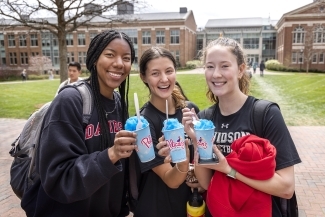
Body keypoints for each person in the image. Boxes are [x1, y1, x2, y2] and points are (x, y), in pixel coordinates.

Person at [21, 30, 138, 217]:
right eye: (110, 55)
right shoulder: (71, 100)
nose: (118, 63)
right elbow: (59, 176)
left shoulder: (119, 103)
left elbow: (119, 171)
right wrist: (111, 154)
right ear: (93, 59)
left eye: (126, 58)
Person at [182, 37, 301, 216]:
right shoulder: (205, 119)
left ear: (241, 70)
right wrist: (196, 139)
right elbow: (206, 184)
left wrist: (228, 170)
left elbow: (286, 187)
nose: (216, 74)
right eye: (210, 66)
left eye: (224, 66)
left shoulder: (265, 114)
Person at [133, 47, 201, 217]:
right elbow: (171, 181)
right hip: (158, 207)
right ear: (144, 77)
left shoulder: (190, 111)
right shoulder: (142, 124)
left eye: (169, 71)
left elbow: (202, 156)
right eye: (155, 73)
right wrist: (183, 163)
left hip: (191, 205)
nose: (164, 79)